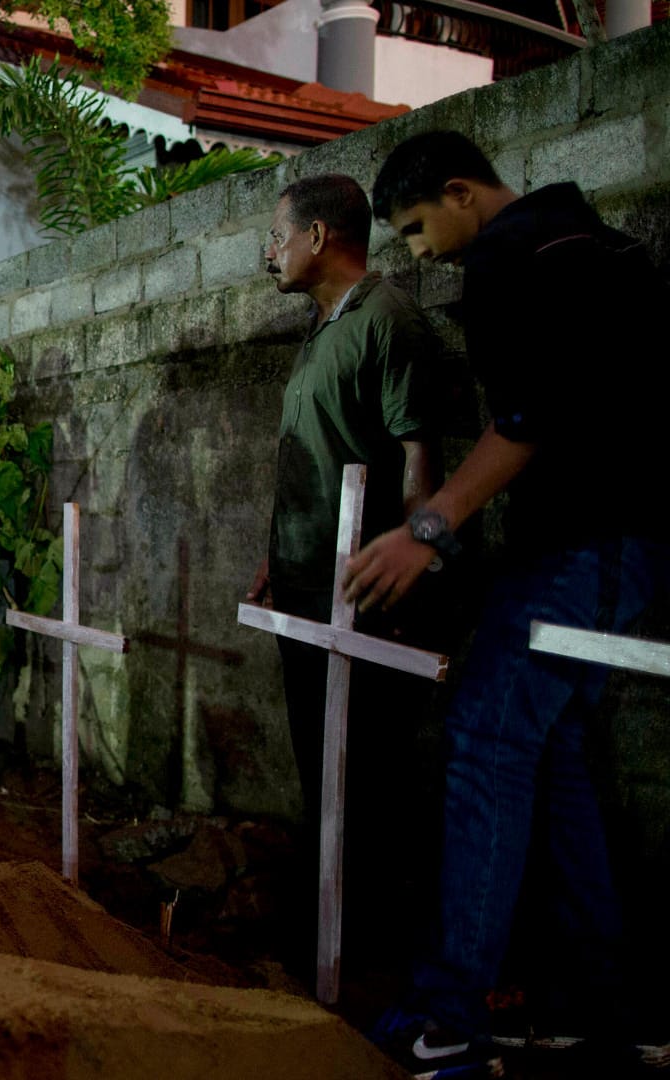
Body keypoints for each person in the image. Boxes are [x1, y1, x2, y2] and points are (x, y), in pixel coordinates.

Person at [343, 131, 670, 1077]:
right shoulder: (596, 245)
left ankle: (450, 1015)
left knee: (485, 739)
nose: (417, 253)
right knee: (555, 753)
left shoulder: (508, 257)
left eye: (413, 228)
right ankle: (613, 1008)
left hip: (589, 542)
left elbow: (530, 419)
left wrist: (431, 528)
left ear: (459, 192)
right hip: (621, 540)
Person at [241, 173, 448, 983]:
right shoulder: (321, 328)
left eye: (276, 235)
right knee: (320, 772)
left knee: (363, 784)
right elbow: (314, 460)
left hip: (363, 595)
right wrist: (278, 551)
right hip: (303, 585)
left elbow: (418, 459)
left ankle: (360, 967)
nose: (270, 253)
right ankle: (317, 946)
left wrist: (411, 576)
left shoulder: (388, 321)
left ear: (319, 238)